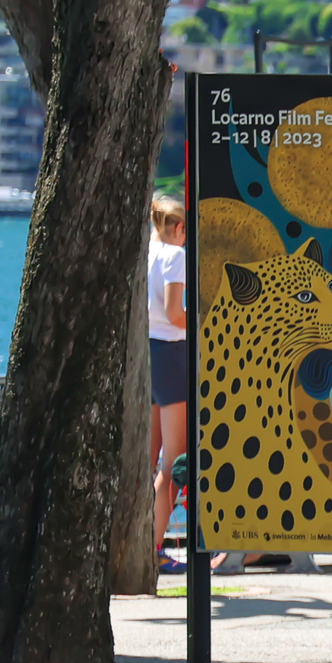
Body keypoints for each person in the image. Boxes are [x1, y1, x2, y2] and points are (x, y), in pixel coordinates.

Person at [146, 195, 190, 571]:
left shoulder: (145, 255)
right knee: (175, 463)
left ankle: (133, 545)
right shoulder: (175, 257)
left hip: (145, 356)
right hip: (171, 358)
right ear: (179, 228)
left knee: (147, 459)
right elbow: (176, 314)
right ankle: (154, 550)